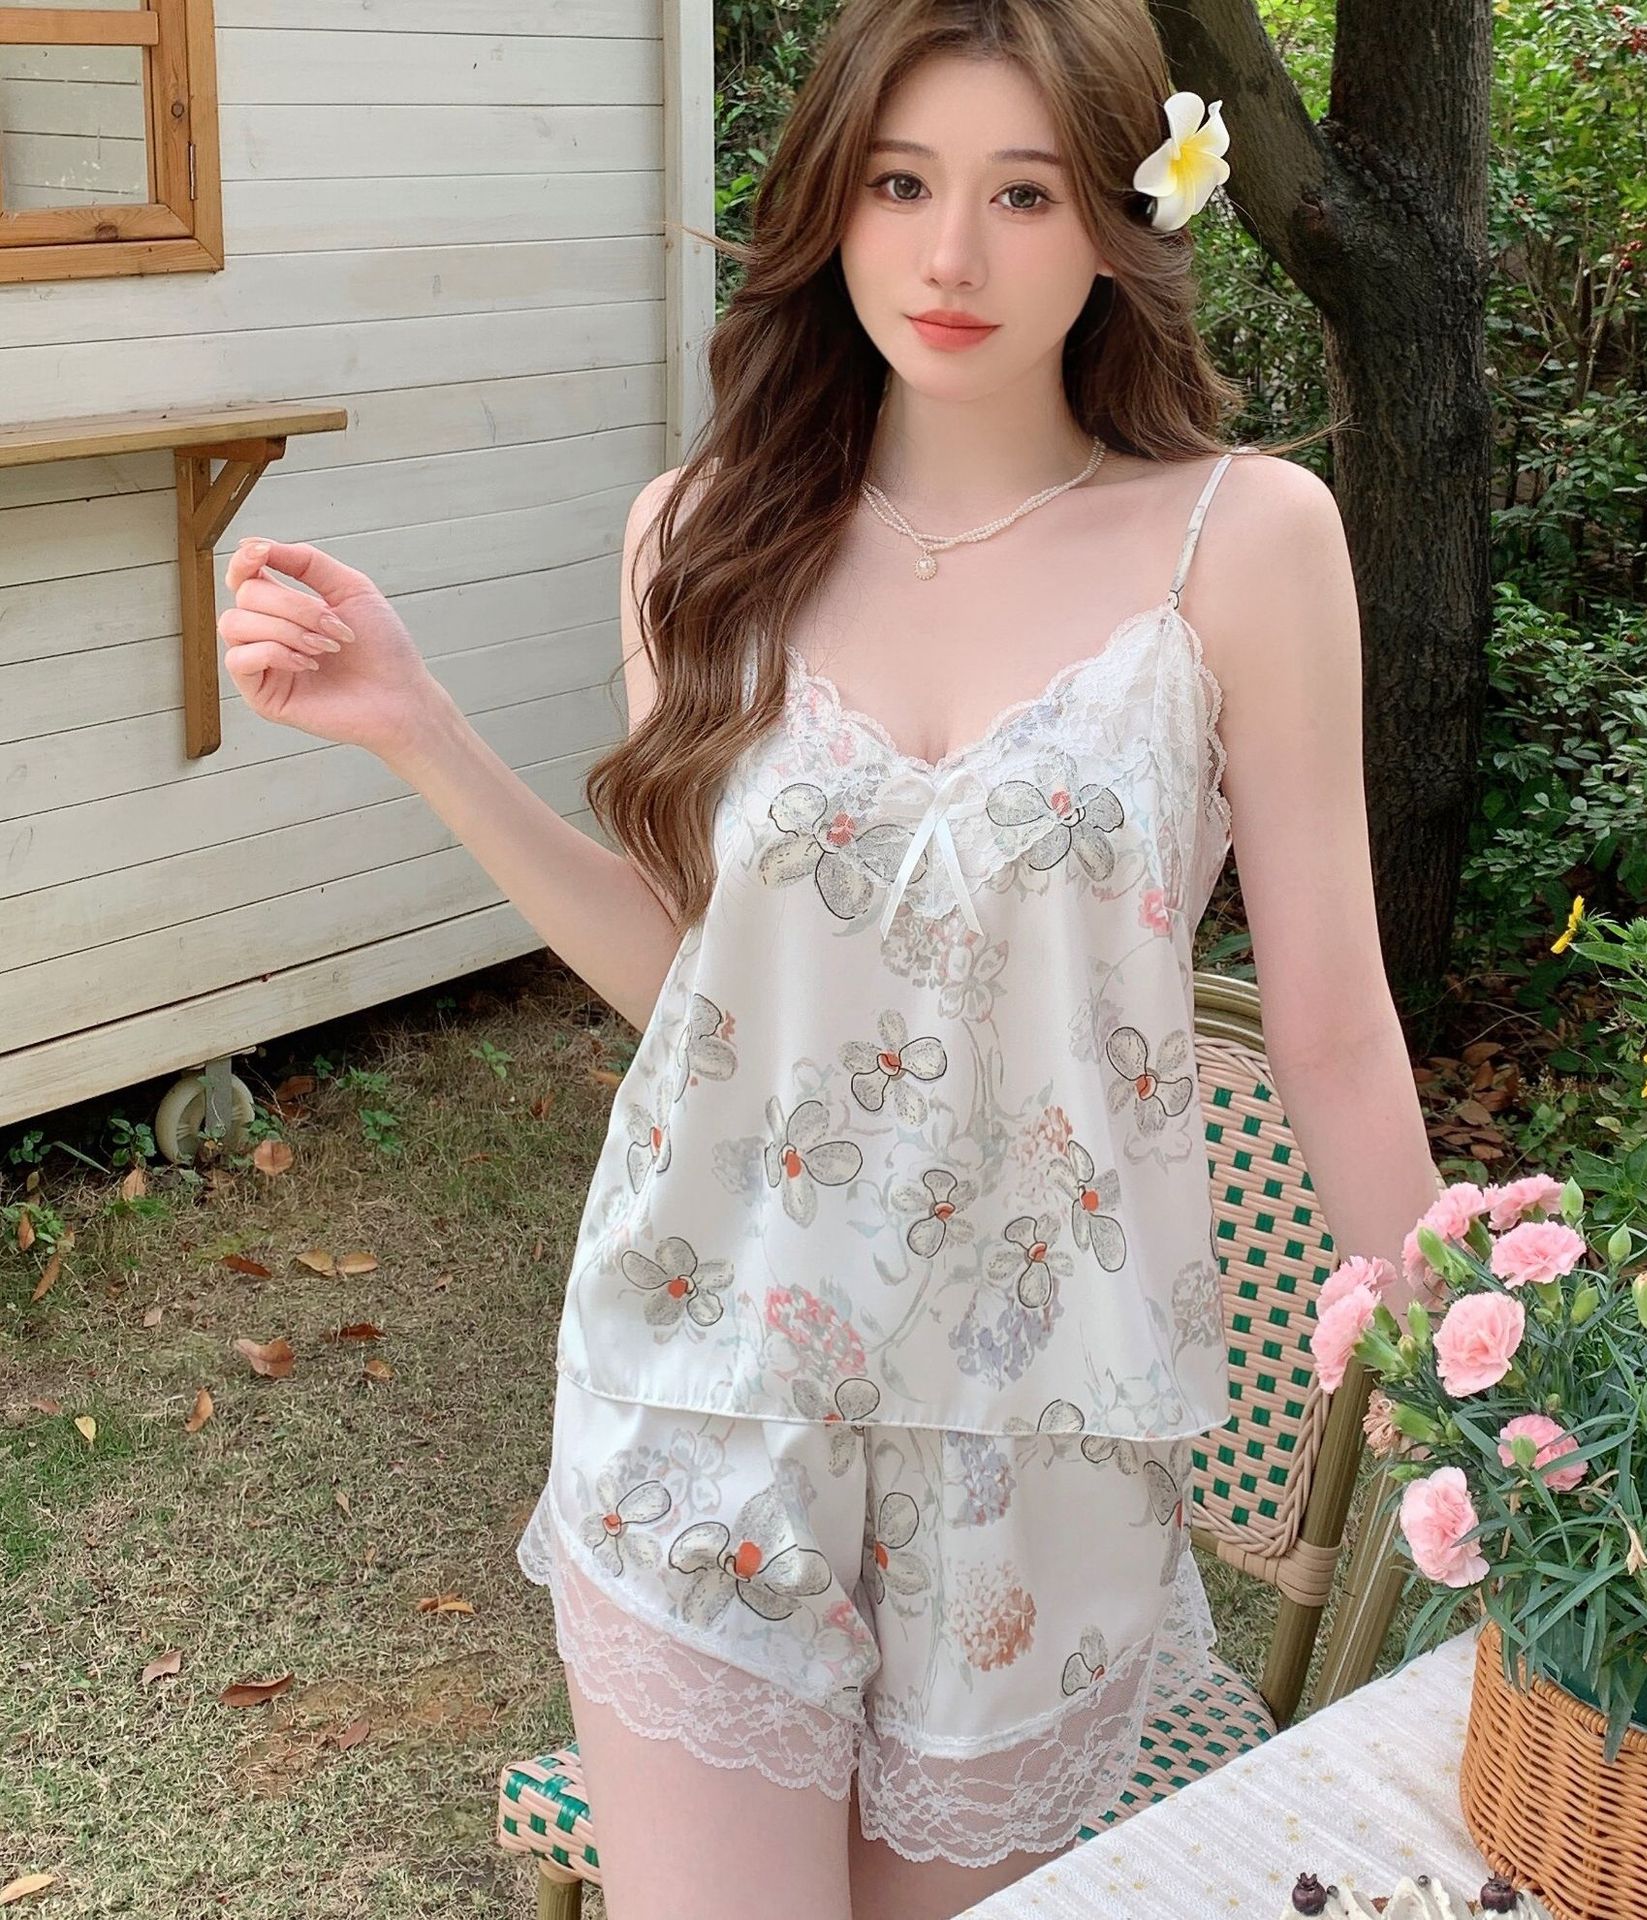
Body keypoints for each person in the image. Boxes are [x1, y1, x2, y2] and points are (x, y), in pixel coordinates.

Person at [216, 4, 1441, 1914]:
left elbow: (1336, 1032)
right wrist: (419, 730)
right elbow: (693, 984)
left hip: (1041, 1429)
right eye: (899, 183)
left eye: (1022, 193)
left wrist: (1492, 1374)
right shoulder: (701, 536)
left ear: (1124, 215)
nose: (950, 257)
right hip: (706, 1371)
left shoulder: (1245, 541)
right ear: (831, 205)